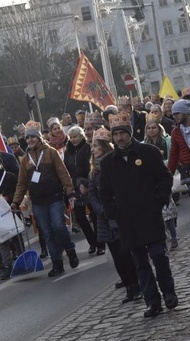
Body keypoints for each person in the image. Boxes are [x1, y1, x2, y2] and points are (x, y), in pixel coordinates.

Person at [99, 113, 177, 318]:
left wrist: (159, 199)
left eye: (123, 133)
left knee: (159, 255)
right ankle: (152, 301)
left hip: (150, 215)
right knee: (140, 262)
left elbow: (164, 177)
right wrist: (113, 211)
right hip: (128, 221)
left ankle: (168, 291)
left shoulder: (148, 152)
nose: (119, 138)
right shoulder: (108, 163)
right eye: (115, 135)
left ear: (129, 133)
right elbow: (105, 193)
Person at [11, 121, 79, 278]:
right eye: (27, 138)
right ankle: (57, 263)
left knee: (58, 227)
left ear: (39, 137)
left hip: (55, 198)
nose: (30, 140)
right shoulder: (25, 159)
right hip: (38, 202)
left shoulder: (50, 152)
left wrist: (70, 193)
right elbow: (21, 183)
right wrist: (16, 201)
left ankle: (70, 250)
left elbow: (63, 174)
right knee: (47, 233)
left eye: (32, 137)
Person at [88, 127, 142, 303]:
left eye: (96, 146)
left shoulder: (113, 162)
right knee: (116, 256)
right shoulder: (93, 171)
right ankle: (128, 286)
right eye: (92, 146)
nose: (93, 149)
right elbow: (92, 194)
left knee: (125, 252)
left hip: (119, 214)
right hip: (104, 218)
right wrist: (100, 209)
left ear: (104, 146)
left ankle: (136, 284)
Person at [64, 126, 101, 255]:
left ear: (81, 136)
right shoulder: (67, 151)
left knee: (94, 215)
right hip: (75, 187)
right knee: (80, 216)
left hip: (88, 184)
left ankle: (100, 243)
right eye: (71, 137)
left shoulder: (87, 148)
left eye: (76, 137)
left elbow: (92, 167)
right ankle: (92, 242)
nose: (73, 140)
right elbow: (66, 170)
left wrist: (86, 183)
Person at [168, 99, 190, 177]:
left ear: (186, 112)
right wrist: (168, 176)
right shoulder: (175, 132)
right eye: (173, 114)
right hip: (187, 171)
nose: (174, 117)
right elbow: (174, 154)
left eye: (177, 113)